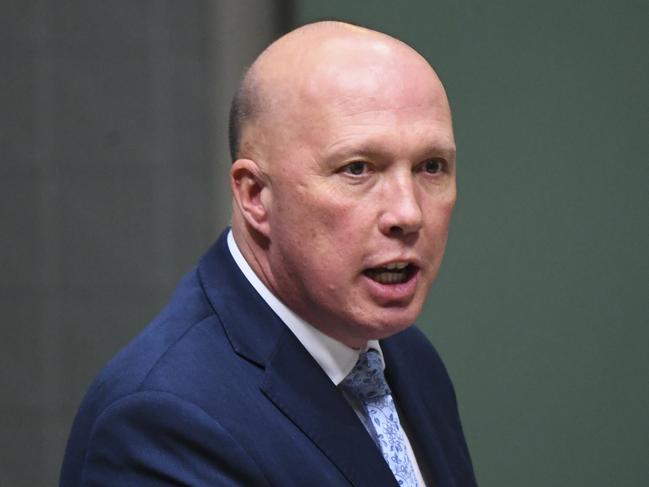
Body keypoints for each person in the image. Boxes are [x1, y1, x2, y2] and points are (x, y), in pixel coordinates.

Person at [60, 21, 477, 487]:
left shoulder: (407, 359)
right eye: (357, 169)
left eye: (431, 167)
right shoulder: (161, 419)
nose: (408, 212)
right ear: (256, 196)